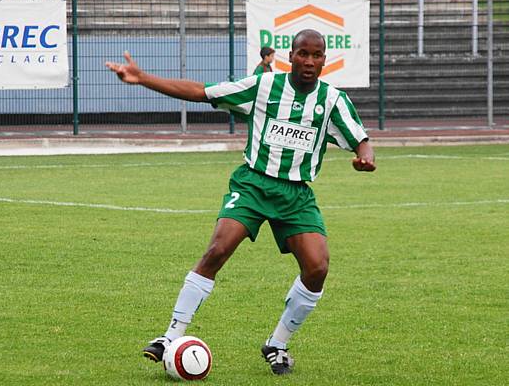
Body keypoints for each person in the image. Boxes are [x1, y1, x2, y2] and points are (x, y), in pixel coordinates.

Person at [105, 29, 376, 376]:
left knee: (318, 267)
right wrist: (143, 79)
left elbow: (361, 139)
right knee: (217, 250)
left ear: (325, 59)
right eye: (303, 53)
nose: (309, 61)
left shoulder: (334, 100)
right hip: (253, 185)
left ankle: (277, 344)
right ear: (290, 56)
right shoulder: (263, 87)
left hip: (295, 195)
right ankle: (169, 335)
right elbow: (202, 92)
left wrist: (365, 158)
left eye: (317, 55)